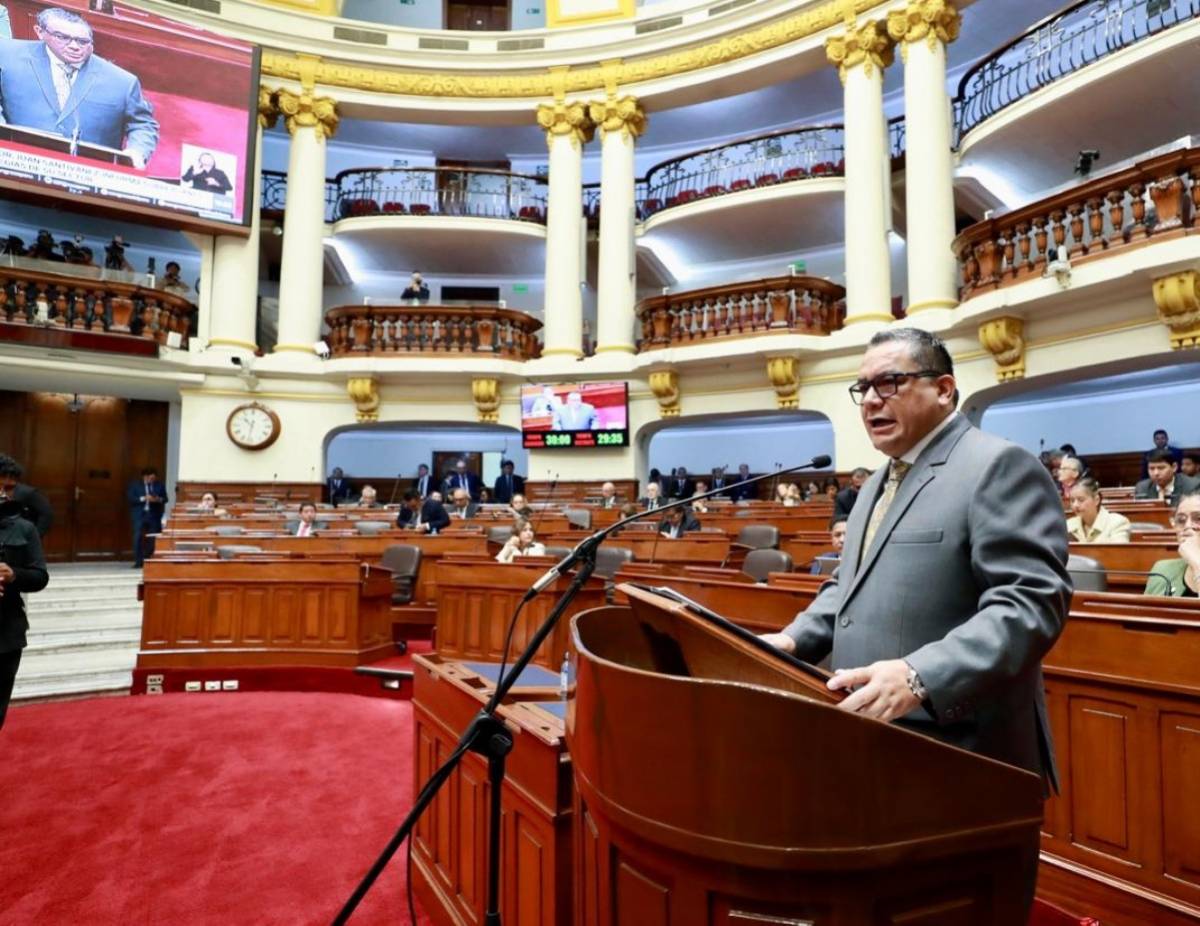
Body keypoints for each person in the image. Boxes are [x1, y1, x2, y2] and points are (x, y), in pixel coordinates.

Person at [759, 328, 1070, 917]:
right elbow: (846, 587)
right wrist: (793, 639)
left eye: (890, 382)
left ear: (945, 388)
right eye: (863, 388)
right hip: (880, 751)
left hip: (963, 756)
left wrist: (920, 674)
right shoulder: (878, 479)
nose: (872, 399)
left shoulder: (997, 465)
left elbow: (1031, 602)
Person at [0, 8, 159, 168]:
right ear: (40, 32)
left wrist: (137, 152)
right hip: (16, 164)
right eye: (63, 38)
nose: (74, 46)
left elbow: (143, 124)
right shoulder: (7, 55)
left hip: (89, 173)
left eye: (82, 41)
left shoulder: (122, 82)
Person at [0, 455, 49, 731]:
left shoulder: (25, 528)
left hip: (7, 632)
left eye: (10, 489)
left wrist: (14, 575)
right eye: (0, 487)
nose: (4, 494)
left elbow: (40, 576)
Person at [1145, 492, 1200, 597]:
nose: (1187, 526)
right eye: (1181, 520)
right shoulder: (1162, 570)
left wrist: (1197, 563)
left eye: (1198, 518)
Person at [1066, 478, 1131, 543]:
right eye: (1072, 501)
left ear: (1096, 500)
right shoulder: (1068, 525)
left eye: (1081, 500)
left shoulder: (1117, 523)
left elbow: (1119, 552)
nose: (1075, 505)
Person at [127, 466, 167, 568]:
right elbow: (131, 498)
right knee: (138, 537)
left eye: (154, 479)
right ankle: (138, 561)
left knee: (153, 538)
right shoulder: (135, 485)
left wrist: (158, 499)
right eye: (150, 478)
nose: (152, 480)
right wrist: (143, 498)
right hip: (139, 515)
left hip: (154, 515)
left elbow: (165, 499)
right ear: (145, 477)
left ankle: (148, 558)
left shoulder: (159, 485)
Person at [1136, 448, 1200, 506]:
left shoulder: (1192, 486)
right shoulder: (1142, 487)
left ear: (1174, 467)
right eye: (1151, 468)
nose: (1156, 473)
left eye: (1161, 468)